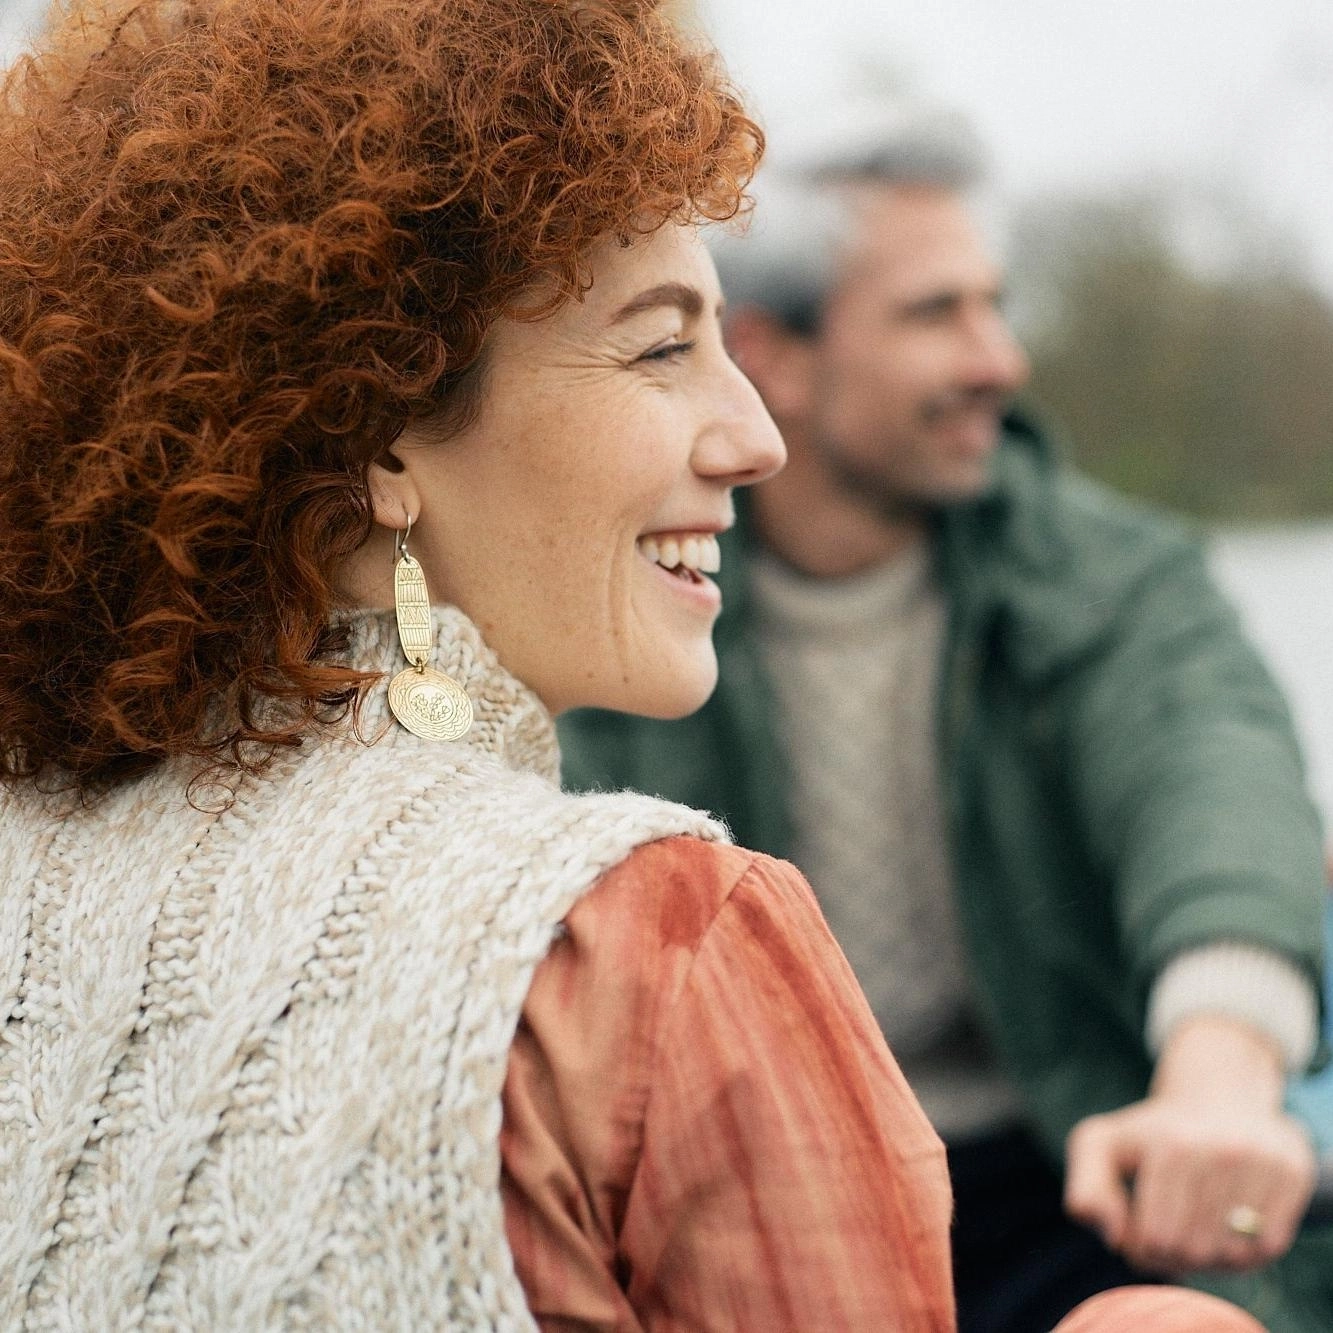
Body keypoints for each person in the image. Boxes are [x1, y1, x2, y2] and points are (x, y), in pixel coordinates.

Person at [559, 100, 1333, 1332]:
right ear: (779, 360)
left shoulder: (1112, 574)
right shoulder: (621, 602)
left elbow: (1214, 784)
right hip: (764, 1203)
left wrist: (1220, 1083)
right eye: (937, 314)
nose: (1000, 361)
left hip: (1075, 1171)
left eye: (995, 304)